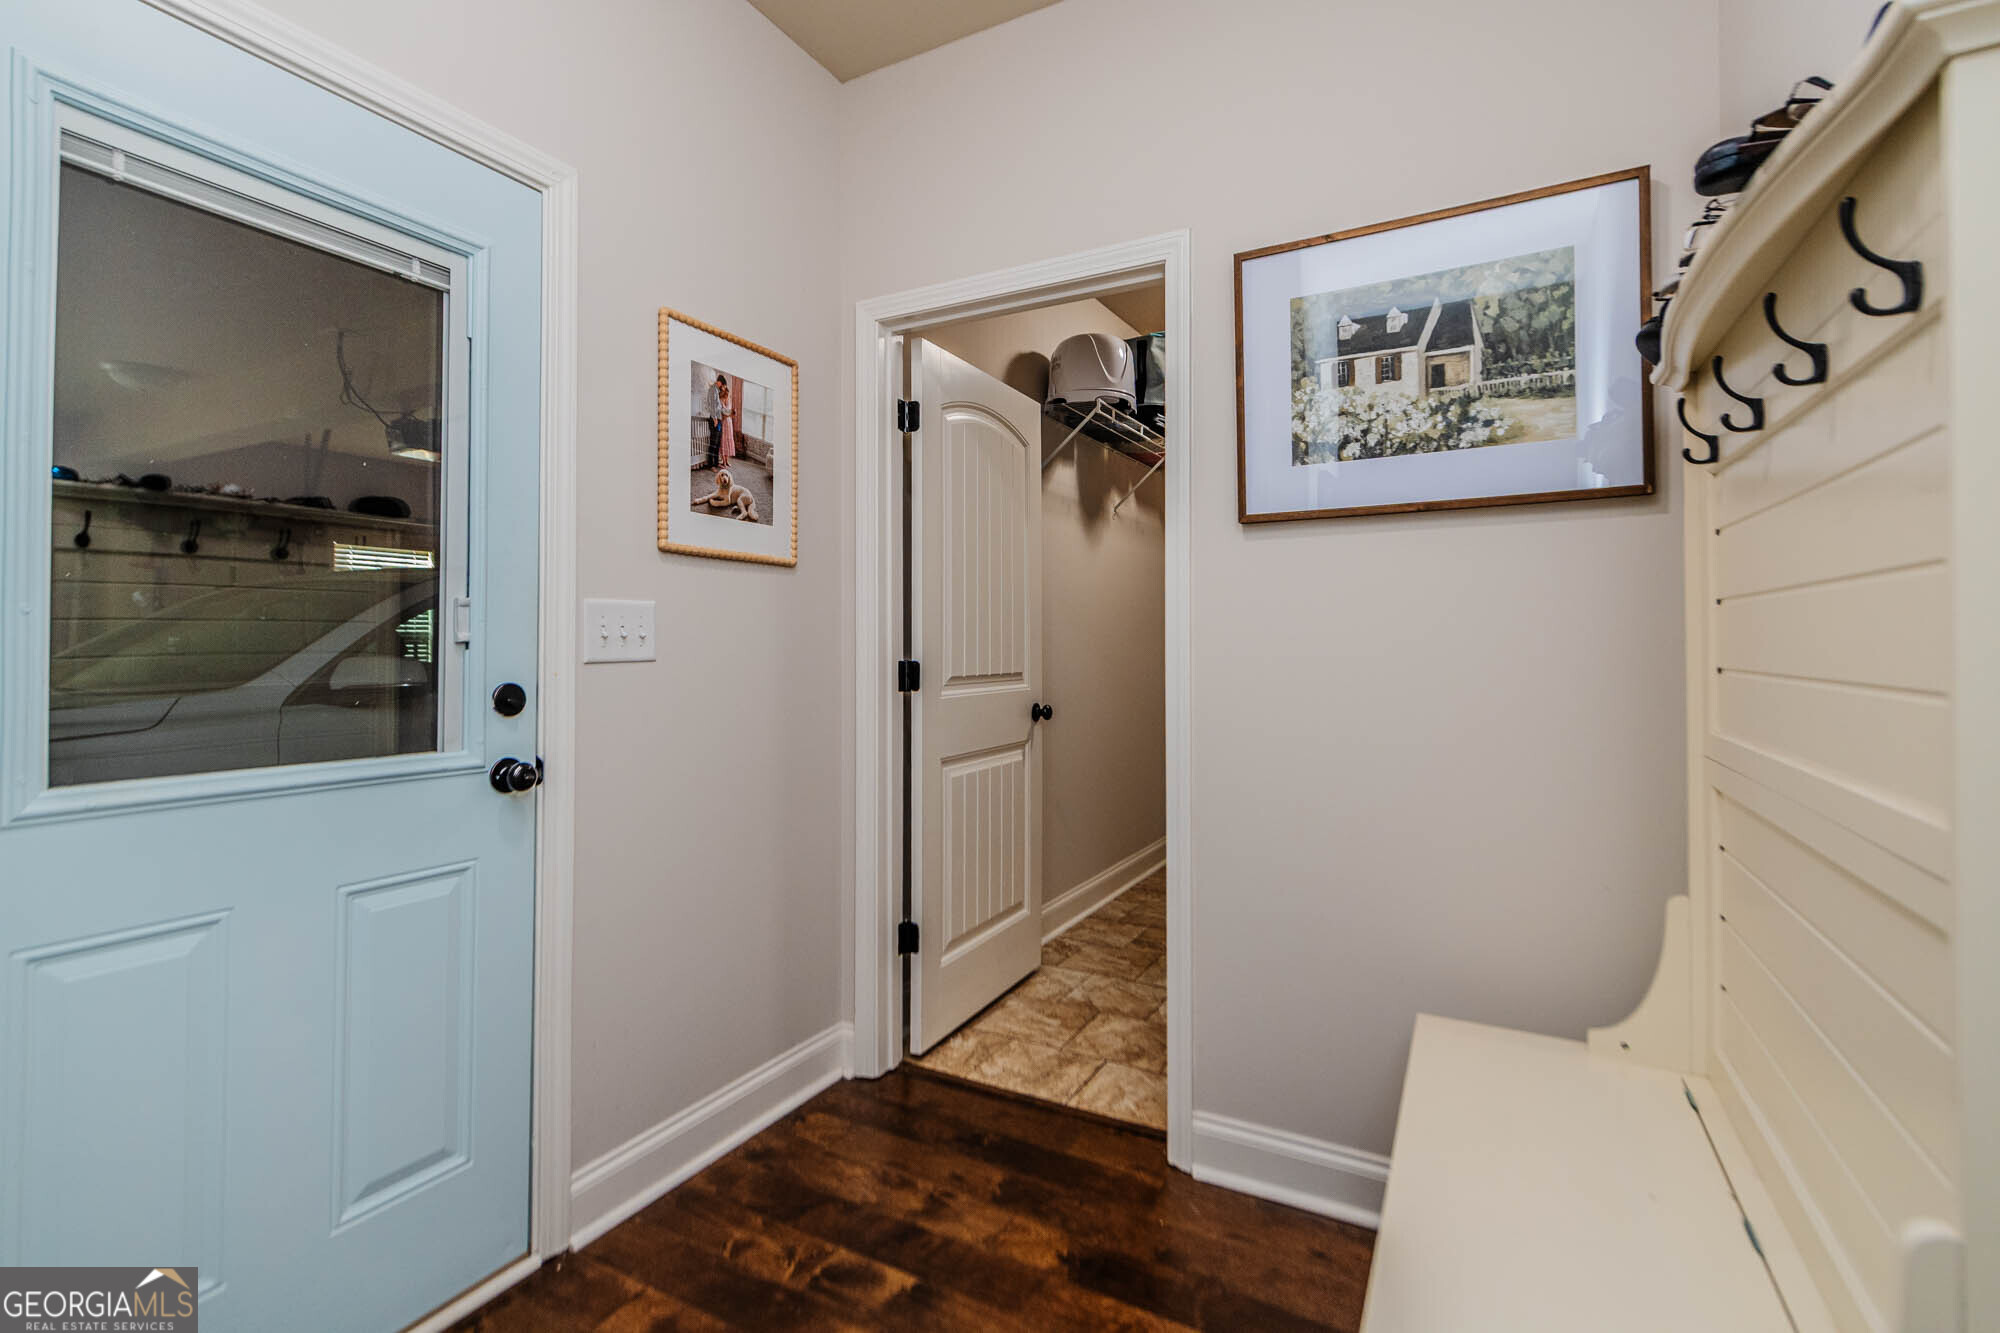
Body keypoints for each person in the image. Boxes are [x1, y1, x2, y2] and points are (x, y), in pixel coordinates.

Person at [704, 372, 725, 469]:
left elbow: (719, 407)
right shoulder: (713, 390)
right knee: (713, 443)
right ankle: (711, 465)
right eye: (723, 385)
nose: (723, 387)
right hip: (714, 420)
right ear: (720, 382)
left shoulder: (717, 391)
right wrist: (715, 418)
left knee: (717, 443)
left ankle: (716, 463)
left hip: (719, 420)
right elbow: (712, 406)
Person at [717, 376, 737, 464]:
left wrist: (731, 413)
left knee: (729, 439)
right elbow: (721, 410)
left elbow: (729, 410)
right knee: (723, 440)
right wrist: (727, 414)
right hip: (723, 420)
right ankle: (724, 461)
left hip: (728, 422)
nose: (723, 388)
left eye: (724, 386)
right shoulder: (719, 397)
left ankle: (727, 460)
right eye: (722, 387)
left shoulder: (728, 396)